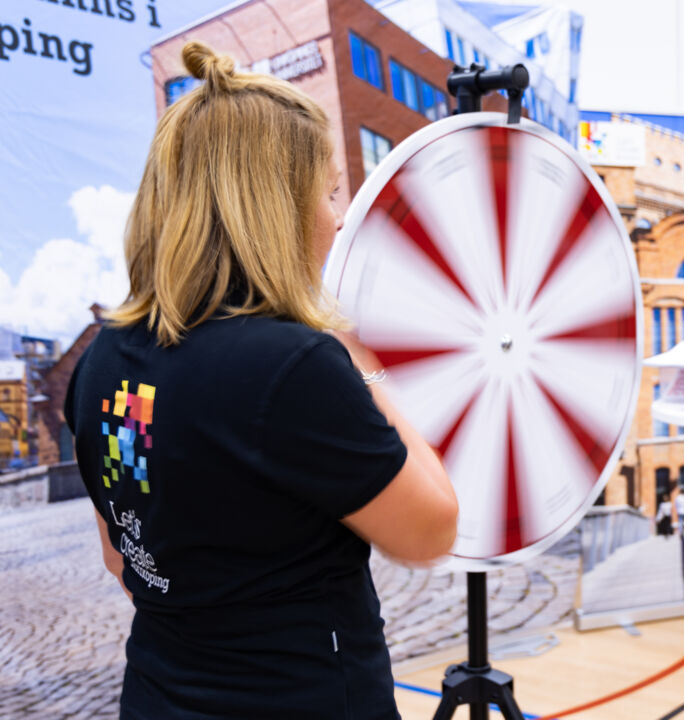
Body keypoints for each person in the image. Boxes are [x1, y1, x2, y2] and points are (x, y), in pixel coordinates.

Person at [63, 42, 458, 719]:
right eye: (328, 192)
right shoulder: (293, 366)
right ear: (275, 207)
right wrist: (361, 365)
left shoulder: (102, 358)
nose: (339, 216)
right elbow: (432, 529)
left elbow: (124, 561)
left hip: (157, 697)